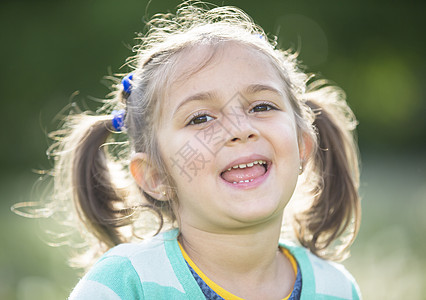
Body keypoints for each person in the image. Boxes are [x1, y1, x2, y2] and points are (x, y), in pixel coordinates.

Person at [42, 2, 362, 299]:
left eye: (262, 106)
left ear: (303, 144)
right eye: (201, 118)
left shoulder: (337, 288)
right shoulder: (125, 284)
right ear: (156, 176)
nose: (239, 129)